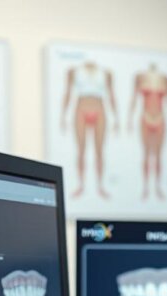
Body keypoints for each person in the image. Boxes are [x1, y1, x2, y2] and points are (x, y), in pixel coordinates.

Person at [60, 61, 118, 199]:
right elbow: (67, 93)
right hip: (81, 109)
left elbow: (111, 95)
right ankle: (81, 185)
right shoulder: (73, 70)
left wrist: (116, 118)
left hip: (100, 109)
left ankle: (100, 185)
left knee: (99, 151)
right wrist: (63, 116)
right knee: (81, 150)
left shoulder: (106, 72)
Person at [128, 63, 167, 201]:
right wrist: (129, 119)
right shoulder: (140, 77)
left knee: (158, 156)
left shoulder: (166, 79)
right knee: (146, 154)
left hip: (160, 118)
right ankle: (145, 187)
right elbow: (133, 99)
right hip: (146, 117)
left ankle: (157, 187)